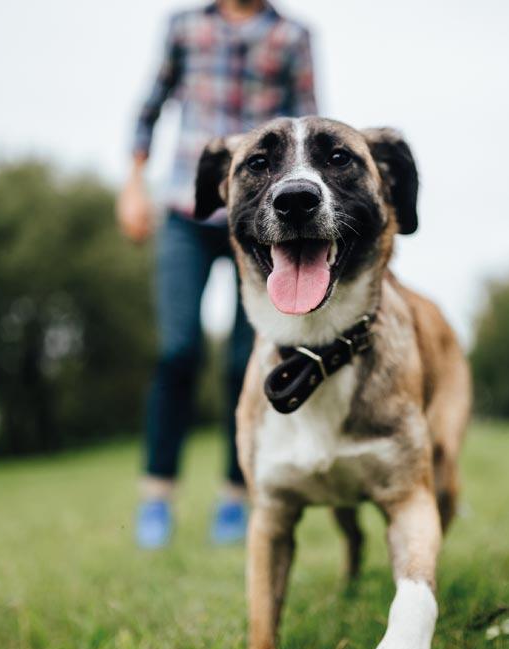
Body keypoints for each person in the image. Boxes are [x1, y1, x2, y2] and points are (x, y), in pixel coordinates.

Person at [118, 0, 317, 548]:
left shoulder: (292, 36)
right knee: (176, 351)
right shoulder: (184, 27)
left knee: (243, 361)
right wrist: (134, 185)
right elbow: (149, 109)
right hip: (185, 210)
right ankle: (156, 497)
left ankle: (234, 496)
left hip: (259, 217)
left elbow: (308, 124)